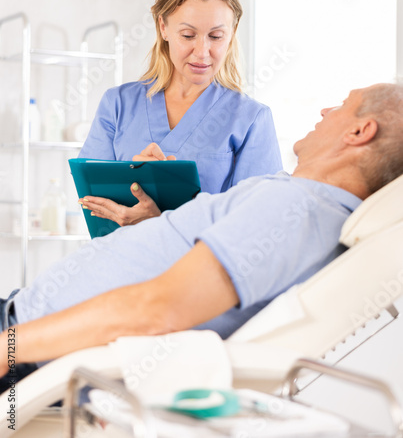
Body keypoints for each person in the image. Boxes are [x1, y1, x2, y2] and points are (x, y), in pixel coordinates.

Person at [1, 82, 403, 384]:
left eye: (342, 105)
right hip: (25, 325)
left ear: (359, 132)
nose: (325, 109)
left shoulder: (300, 209)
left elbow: (155, 309)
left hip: (23, 346)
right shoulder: (300, 202)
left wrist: (9, 347)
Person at [77, 0, 282, 227]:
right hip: (120, 263)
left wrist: (161, 221)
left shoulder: (251, 119)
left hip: (196, 268)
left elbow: (257, 225)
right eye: (188, 35)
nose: (202, 51)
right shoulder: (118, 105)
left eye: (216, 36)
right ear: (163, 27)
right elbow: (94, 206)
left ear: (232, 33)